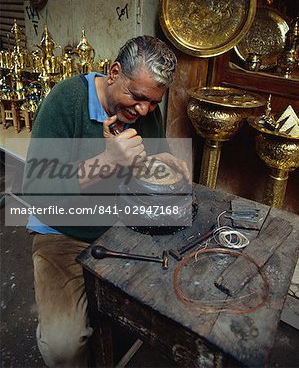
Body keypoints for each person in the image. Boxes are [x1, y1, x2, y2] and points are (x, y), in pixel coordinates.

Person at [23, 35, 190, 367]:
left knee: (174, 295)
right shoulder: (65, 101)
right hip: (64, 232)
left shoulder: (145, 110)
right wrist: (107, 161)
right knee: (63, 346)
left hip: (122, 226)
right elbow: (34, 189)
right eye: (137, 96)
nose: (143, 109)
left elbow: (155, 155)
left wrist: (169, 164)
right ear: (114, 72)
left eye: (154, 102)